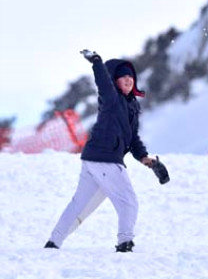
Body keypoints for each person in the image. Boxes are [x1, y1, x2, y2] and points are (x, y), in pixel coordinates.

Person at [44, 50, 160, 252]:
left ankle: (53, 242)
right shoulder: (112, 99)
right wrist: (97, 62)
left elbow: (133, 139)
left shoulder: (131, 106)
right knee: (129, 202)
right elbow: (103, 83)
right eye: (123, 76)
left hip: (94, 160)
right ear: (114, 80)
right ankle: (125, 243)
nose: (128, 80)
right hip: (105, 160)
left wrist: (146, 160)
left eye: (131, 76)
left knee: (79, 205)